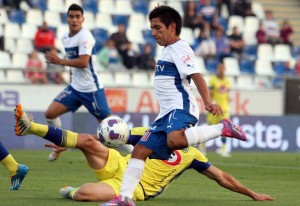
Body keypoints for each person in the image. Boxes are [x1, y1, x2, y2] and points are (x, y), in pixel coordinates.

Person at [102, 6, 247, 205]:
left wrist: (208, 102)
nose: (153, 33)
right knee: (140, 151)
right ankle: (125, 198)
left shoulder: (180, 47)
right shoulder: (167, 50)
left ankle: (223, 128)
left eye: (158, 27)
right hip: (165, 114)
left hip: (181, 107)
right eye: (152, 28)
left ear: (172, 26)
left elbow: (196, 75)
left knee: (175, 141)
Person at [14, 104, 273, 203]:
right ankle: (31, 126)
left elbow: (221, 177)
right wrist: (70, 144)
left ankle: (68, 190)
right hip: (119, 163)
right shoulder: (152, 132)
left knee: (84, 194)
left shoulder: (193, 156)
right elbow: (114, 137)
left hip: (131, 188)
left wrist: (252, 194)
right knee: (86, 141)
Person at [45, 4, 111, 161]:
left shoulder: (85, 37)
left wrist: (59, 61)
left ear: (83, 19)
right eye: (71, 16)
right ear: (67, 18)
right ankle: (59, 144)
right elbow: (74, 65)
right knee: (50, 113)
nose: (74, 20)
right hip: (75, 88)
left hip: (92, 89)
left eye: (77, 17)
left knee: (110, 128)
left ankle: (133, 151)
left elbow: (83, 62)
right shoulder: (65, 37)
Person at [202, 62, 231, 157]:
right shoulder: (213, 80)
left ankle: (223, 149)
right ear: (217, 69)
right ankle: (202, 146)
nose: (221, 70)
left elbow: (227, 95)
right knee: (210, 129)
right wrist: (210, 105)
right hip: (215, 109)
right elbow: (209, 94)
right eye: (219, 68)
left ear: (225, 69)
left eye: (222, 68)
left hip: (225, 109)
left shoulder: (228, 81)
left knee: (225, 127)